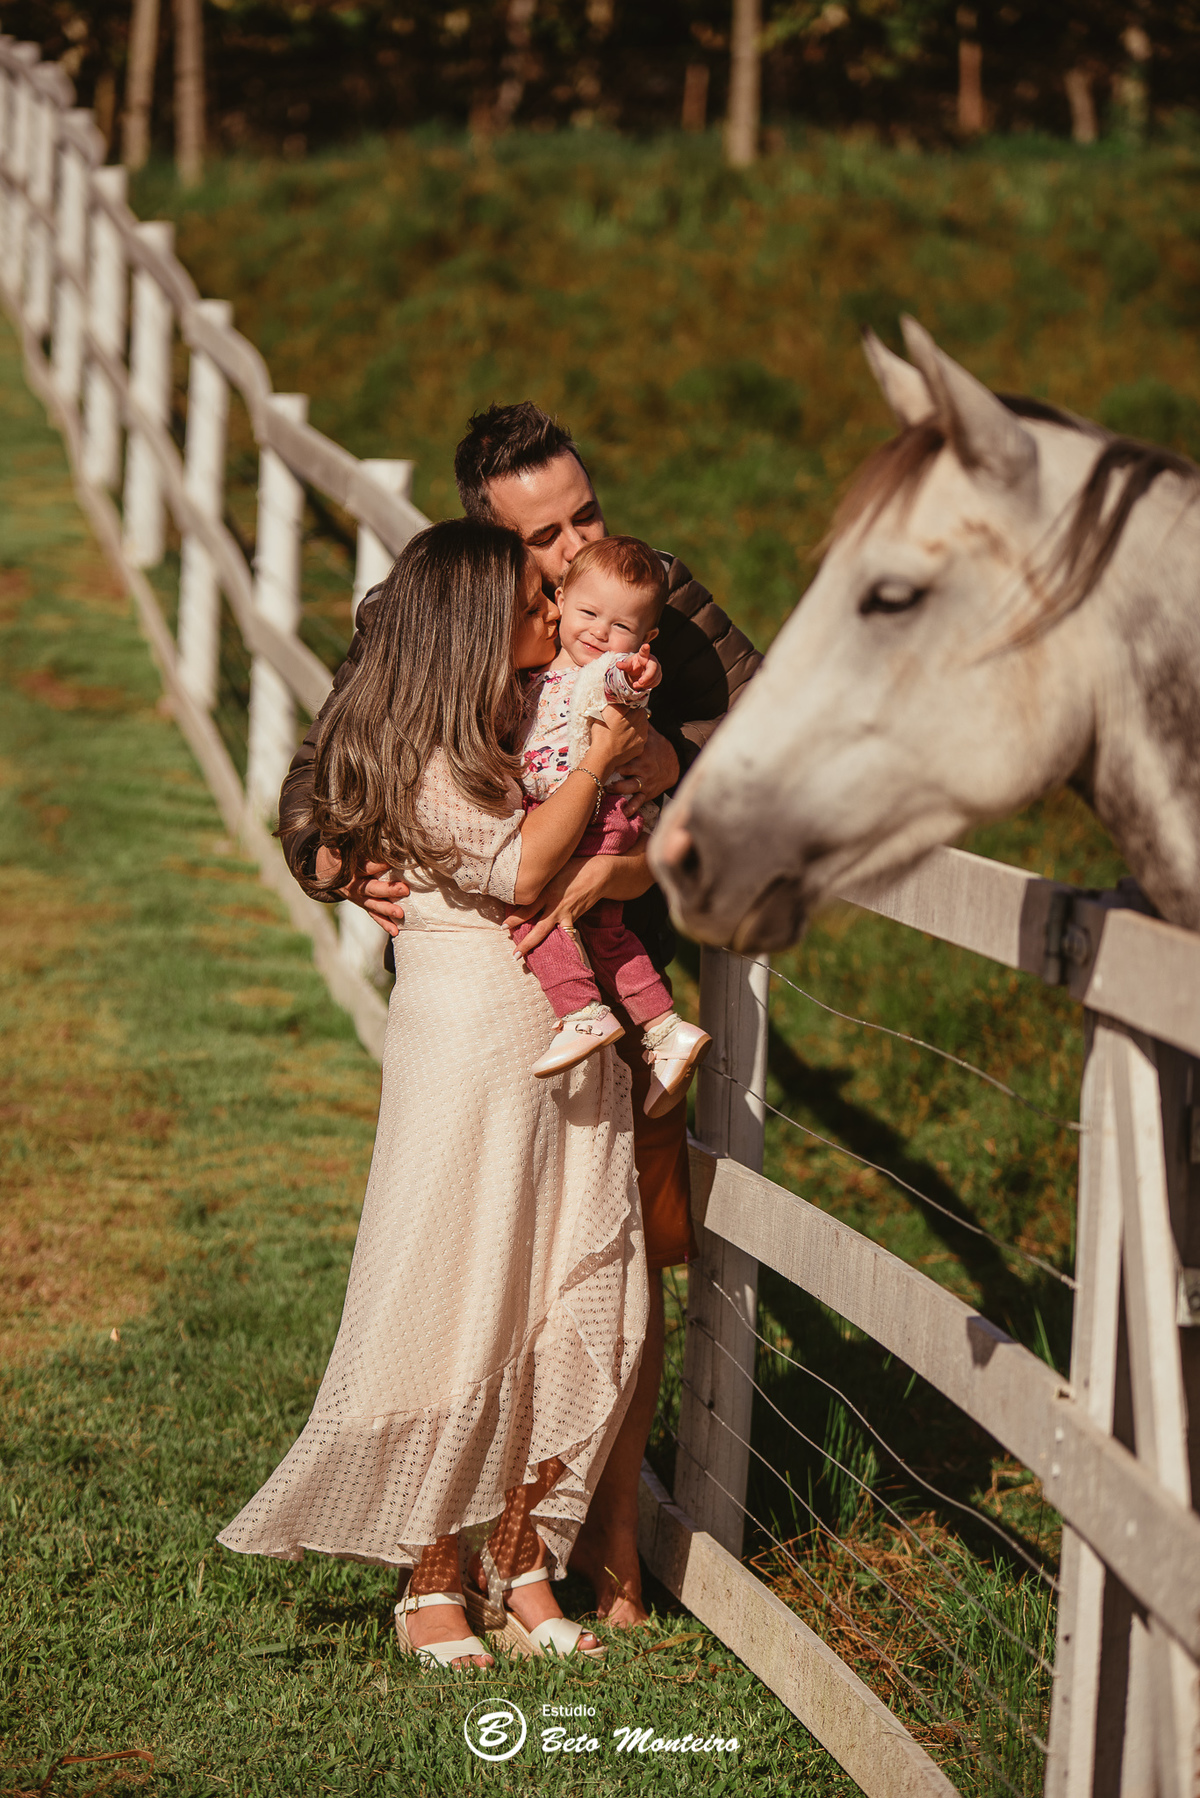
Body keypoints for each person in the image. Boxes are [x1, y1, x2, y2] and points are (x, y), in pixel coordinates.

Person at [277, 403, 762, 1628]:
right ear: (489, 535)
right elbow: (338, 748)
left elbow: (765, 731)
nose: (575, 545)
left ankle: (598, 1549)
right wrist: (327, 857)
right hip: (486, 987)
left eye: (583, 511)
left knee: (611, 1260)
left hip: (623, 973)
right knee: (477, 1258)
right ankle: (459, 1555)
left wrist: (670, 765)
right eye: (545, 533)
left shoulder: (656, 595)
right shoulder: (455, 597)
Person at [220, 519, 651, 1669]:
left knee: (555, 1289)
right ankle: (425, 1577)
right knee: (459, 1288)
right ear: (473, 619)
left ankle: (518, 1562)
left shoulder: (534, 703)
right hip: (469, 1033)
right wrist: (605, 759)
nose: (554, 615)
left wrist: (624, 753)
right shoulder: (432, 749)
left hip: (565, 1030)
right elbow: (518, 869)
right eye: (533, 599)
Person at [514, 535, 712, 1118]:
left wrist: (635, 672)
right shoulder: (542, 672)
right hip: (579, 815)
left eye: (621, 626)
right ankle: (663, 1031)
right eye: (588, 613)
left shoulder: (602, 671)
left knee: (532, 912)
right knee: (606, 932)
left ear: (645, 639)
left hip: (600, 817)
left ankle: (581, 1012)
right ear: (559, 599)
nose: (600, 632)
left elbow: (625, 682)